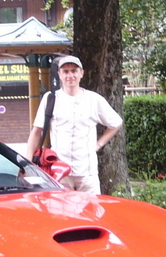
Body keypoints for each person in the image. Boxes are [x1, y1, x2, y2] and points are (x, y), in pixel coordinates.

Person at [26, 55, 123, 194]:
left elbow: (116, 123)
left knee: (91, 212)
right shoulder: (51, 99)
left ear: (81, 73)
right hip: (59, 170)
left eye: (73, 71)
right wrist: (28, 163)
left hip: (87, 171)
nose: (70, 75)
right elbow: (36, 131)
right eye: (65, 71)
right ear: (59, 74)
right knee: (61, 212)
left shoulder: (94, 99)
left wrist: (99, 144)